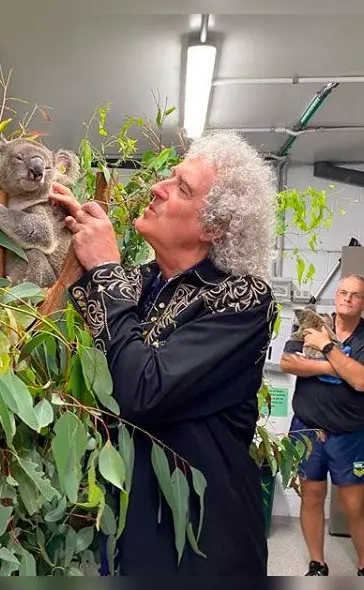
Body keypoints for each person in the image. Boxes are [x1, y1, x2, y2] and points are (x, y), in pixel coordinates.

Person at [49, 130, 278, 575]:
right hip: (123, 526)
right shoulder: (140, 283)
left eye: (182, 188)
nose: (158, 187)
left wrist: (105, 269)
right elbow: (62, 338)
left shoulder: (241, 301)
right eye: (171, 177)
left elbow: (141, 391)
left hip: (203, 541)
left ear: (214, 226)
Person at [280, 274, 364, 576]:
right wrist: (341, 366)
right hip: (307, 430)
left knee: (354, 505)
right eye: (343, 292)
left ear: (362, 302)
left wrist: (328, 348)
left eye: (355, 294)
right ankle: (318, 564)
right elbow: (288, 362)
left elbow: (361, 380)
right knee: (311, 497)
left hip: (350, 434)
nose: (347, 298)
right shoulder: (312, 324)